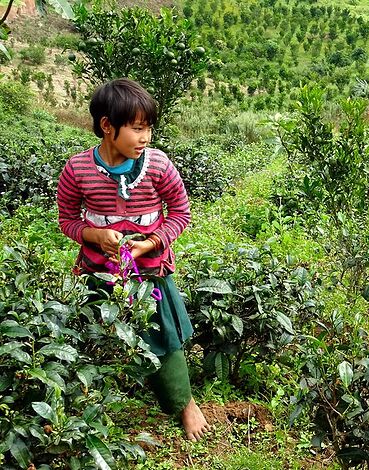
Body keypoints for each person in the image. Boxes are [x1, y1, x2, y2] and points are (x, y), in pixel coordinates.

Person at [57, 78, 210, 440]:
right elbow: (66, 219)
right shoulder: (77, 170)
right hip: (100, 272)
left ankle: (185, 403)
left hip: (149, 271)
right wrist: (94, 235)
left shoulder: (157, 165)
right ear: (107, 126)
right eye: (137, 129)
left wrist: (152, 242)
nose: (146, 138)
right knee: (103, 335)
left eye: (149, 129)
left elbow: (180, 212)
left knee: (164, 336)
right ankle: (103, 404)